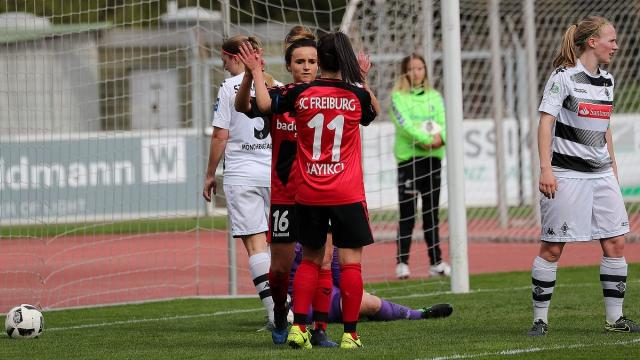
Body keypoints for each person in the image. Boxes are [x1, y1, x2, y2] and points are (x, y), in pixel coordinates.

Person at [249, 31, 380, 349]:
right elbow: (373, 111)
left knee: (309, 260)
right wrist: (362, 79)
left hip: (308, 192)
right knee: (350, 262)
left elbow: (265, 103)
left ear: (319, 60)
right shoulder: (355, 95)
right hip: (346, 192)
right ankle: (350, 335)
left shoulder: (301, 92)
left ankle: (300, 328)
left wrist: (255, 71)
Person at [527, 16, 637, 336]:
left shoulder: (608, 81)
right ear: (592, 42)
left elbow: (605, 128)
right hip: (566, 173)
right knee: (552, 248)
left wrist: (613, 167)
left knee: (616, 242)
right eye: (611, 40)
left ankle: (615, 319)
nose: (616, 46)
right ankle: (540, 319)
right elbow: (546, 121)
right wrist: (546, 168)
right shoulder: (563, 77)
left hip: (601, 173)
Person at [234, 26, 337, 347]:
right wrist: (252, 74)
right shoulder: (277, 97)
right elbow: (244, 107)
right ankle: (281, 311)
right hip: (285, 195)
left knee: (322, 261)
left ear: (319, 64)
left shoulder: (331, 98)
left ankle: (317, 329)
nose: (306, 66)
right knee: (279, 269)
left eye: (312, 61)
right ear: (289, 66)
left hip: (320, 190)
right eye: (300, 61)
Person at [202, 35, 275, 328]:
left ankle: (276, 313)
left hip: (242, 174)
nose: (223, 65)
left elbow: (221, 135)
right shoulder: (277, 84)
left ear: (234, 58)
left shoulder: (228, 88)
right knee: (282, 245)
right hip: (273, 172)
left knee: (257, 246)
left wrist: (209, 174)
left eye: (224, 60)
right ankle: (294, 309)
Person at [389, 54, 450, 280]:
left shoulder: (435, 97)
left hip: (433, 159)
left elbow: (444, 122)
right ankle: (402, 263)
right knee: (407, 214)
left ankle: (436, 262)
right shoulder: (398, 97)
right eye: (412, 69)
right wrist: (425, 138)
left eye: (420, 68)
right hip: (409, 161)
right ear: (405, 72)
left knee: (431, 215)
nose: (416, 72)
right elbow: (403, 123)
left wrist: (440, 138)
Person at [289, 243, 454, 323]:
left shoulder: (323, 226)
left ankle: (415, 313)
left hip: (320, 293)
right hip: (303, 301)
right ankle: (417, 314)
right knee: (366, 301)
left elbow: (338, 273)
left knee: (362, 299)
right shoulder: (294, 226)